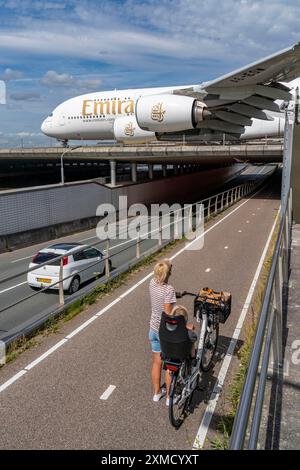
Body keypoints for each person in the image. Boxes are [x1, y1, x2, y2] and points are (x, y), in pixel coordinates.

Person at [149, 258, 176, 403]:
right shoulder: (169, 289)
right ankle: (169, 398)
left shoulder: (152, 283)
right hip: (164, 332)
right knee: (171, 364)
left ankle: (157, 393)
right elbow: (167, 313)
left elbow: (159, 298)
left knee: (156, 362)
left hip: (153, 329)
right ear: (168, 273)